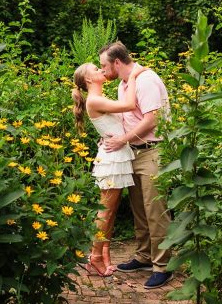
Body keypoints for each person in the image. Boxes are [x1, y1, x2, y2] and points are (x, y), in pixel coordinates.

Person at [98, 42, 172, 289]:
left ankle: (163, 266)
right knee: (139, 208)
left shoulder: (146, 80)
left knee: (156, 209)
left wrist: (123, 139)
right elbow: (128, 117)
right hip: (133, 152)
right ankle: (144, 256)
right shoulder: (123, 85)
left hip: (153, 151)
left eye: (104, 65)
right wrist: (111, 135)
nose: (103, 71)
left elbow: (152, 119)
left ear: (117, 62)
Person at [72, 62, 148, 277]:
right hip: (112, 159)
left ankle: (103, 254)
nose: (101, 71)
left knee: (111, 210)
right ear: (88, 80)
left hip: (117, 156)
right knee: (105, 209)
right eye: (96, 70)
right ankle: (95, 257)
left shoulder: (99, 99)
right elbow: (131, 104)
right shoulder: (95, 100)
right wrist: (133, 76)